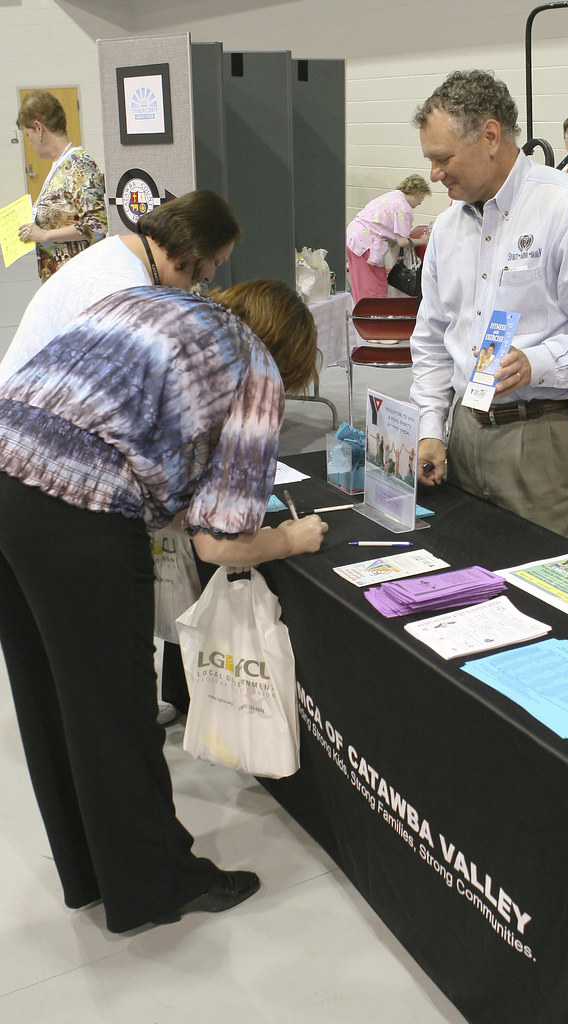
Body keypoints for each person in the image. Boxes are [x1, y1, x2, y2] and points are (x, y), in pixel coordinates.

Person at [0, 280, 328, 933]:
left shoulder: (152, 303)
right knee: (115, 708)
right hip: (79, 509)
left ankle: (89, 872)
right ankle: (157, 885)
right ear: (288, 353)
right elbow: (219, 546)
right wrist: (291, 537)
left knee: (48, 698)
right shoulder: (255, 368)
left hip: (7, 470)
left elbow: (134, 447)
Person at [409, 70, 568, 547]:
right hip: (466, 433)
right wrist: (430, 427)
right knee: (466, 577)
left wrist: (539, 363)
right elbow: (432, 339)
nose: (435, 174)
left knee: (543, 588)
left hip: (542, 440)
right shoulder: (449, 230)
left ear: (490, 136)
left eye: (443, 158)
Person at [0, 189, 240, 386]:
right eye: (215, 262)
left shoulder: (120, 251)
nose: (209, 275)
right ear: (193, 246)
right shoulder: (124, 290)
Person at [16, 90, 107, 280]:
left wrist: (45, 235)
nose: (30, 143)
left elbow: (97, 225)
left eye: (27, 135)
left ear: (38, 128)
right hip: (61, 280)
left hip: (78, 279)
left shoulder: (79, 165)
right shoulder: (60, 166)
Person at [346, 174, 431, 303]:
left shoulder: (393, 196)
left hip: (353, 238)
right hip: (366, 244)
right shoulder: (403, 207)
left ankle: (362, 316)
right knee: (374, 287)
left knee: (360, 284)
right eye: (421, 198)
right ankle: (374, 317)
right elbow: (402, 242)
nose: (420, 203)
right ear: (415, 192)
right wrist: (423, 240)